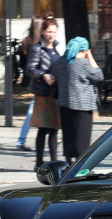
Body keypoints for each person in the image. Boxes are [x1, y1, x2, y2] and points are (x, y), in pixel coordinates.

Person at [51, 36, 103, 165]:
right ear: (84, 50)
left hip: (64, 104)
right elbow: (99, 75)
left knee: (68, 136)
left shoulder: (60, 62)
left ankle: (68, 164)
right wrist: (90, 56)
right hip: (83, 106)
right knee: (82, 140)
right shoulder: (83, 63)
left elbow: (56, 76)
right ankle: (80, 167)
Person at [27, 17, 62, 168]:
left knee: (54, 128)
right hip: (43, 93)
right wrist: (43, 75)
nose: (51, 35)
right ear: (42, 31)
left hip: (55, 93)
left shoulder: (56, 48)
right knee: (43, 128)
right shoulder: (37, 48)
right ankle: (39, 162)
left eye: (54, 32)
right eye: (48, 31)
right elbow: (30, 68)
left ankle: (54, 161)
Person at [15, 15, 47, 151]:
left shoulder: (26, 42)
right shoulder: (40, 43)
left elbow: (23, 63)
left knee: (33, 110)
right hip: (42, 80)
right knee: (33, 110)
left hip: (31, 80)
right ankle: (21, 140)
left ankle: (22, 140)